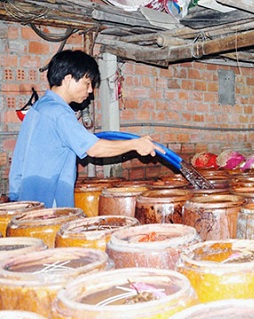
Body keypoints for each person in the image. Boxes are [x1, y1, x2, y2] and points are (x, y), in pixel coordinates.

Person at [9, 50, 163, 208]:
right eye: (87, 83)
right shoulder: (59, 113)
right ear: (68, 79)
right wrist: (135, 144)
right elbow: (94, 148)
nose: (90, 91)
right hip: (47, 206)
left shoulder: (40, 107)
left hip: (27, 201)